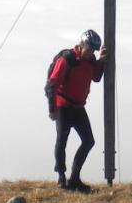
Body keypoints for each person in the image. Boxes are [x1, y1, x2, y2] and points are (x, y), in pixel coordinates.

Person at [46, 29, 107, 192]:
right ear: (82, 45)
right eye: (89, 49)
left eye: (94, 50)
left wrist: (101, 60)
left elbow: (96, 77)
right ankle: (61, 178)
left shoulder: (90, 60)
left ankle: (74, 179)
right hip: (63, 106)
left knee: (88, 141)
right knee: (62, 140)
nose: (91, 53)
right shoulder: (68, 59)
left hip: (78, 107)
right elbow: (51, 85)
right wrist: (52, 109)